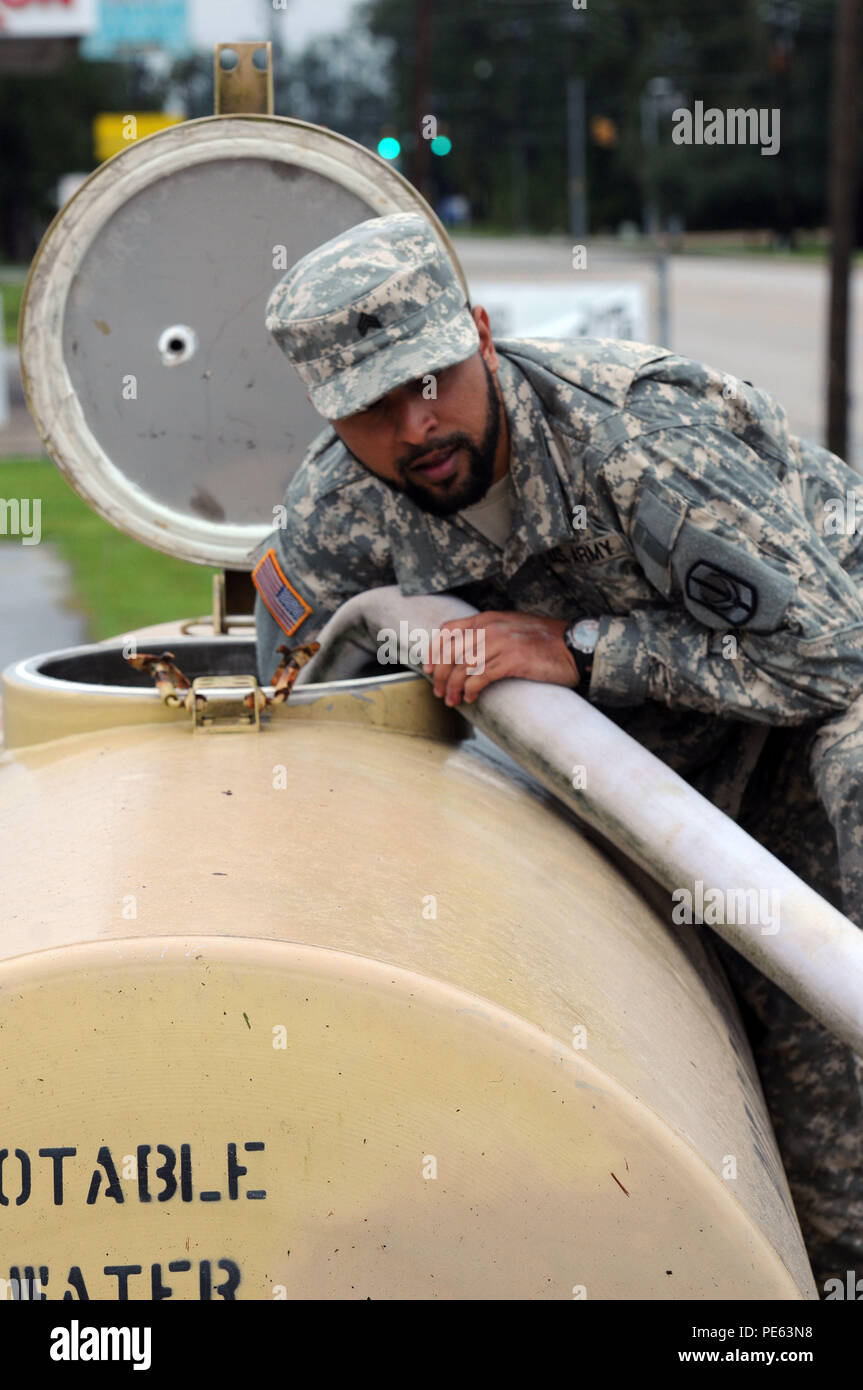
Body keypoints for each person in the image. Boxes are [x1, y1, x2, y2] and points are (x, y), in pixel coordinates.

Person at [254, 210, 863, 1292]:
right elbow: (289, 717)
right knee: (752, 1134)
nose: (417, 422)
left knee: (834, 1104)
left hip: (810, 711)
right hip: (657, 777)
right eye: (373, 406)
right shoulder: (336, 514)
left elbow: (828, 659)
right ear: (330, 418)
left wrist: (579, 649)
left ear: (481, 334)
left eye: (432, 376)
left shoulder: (637, 444)